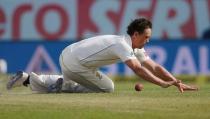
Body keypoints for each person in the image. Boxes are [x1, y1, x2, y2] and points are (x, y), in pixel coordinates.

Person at [7, 18, 198, 93]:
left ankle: (26, 79)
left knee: (98, 84)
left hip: (69, 55)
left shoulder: (132, 46)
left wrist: (175, 81)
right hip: (76, 64)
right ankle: (63, 84)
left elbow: (154, 66)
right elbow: (138, 69)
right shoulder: (122, 44)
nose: (148, 40)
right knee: (107, 88)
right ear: (136, 35)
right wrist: (162, 84)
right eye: (146, 37)